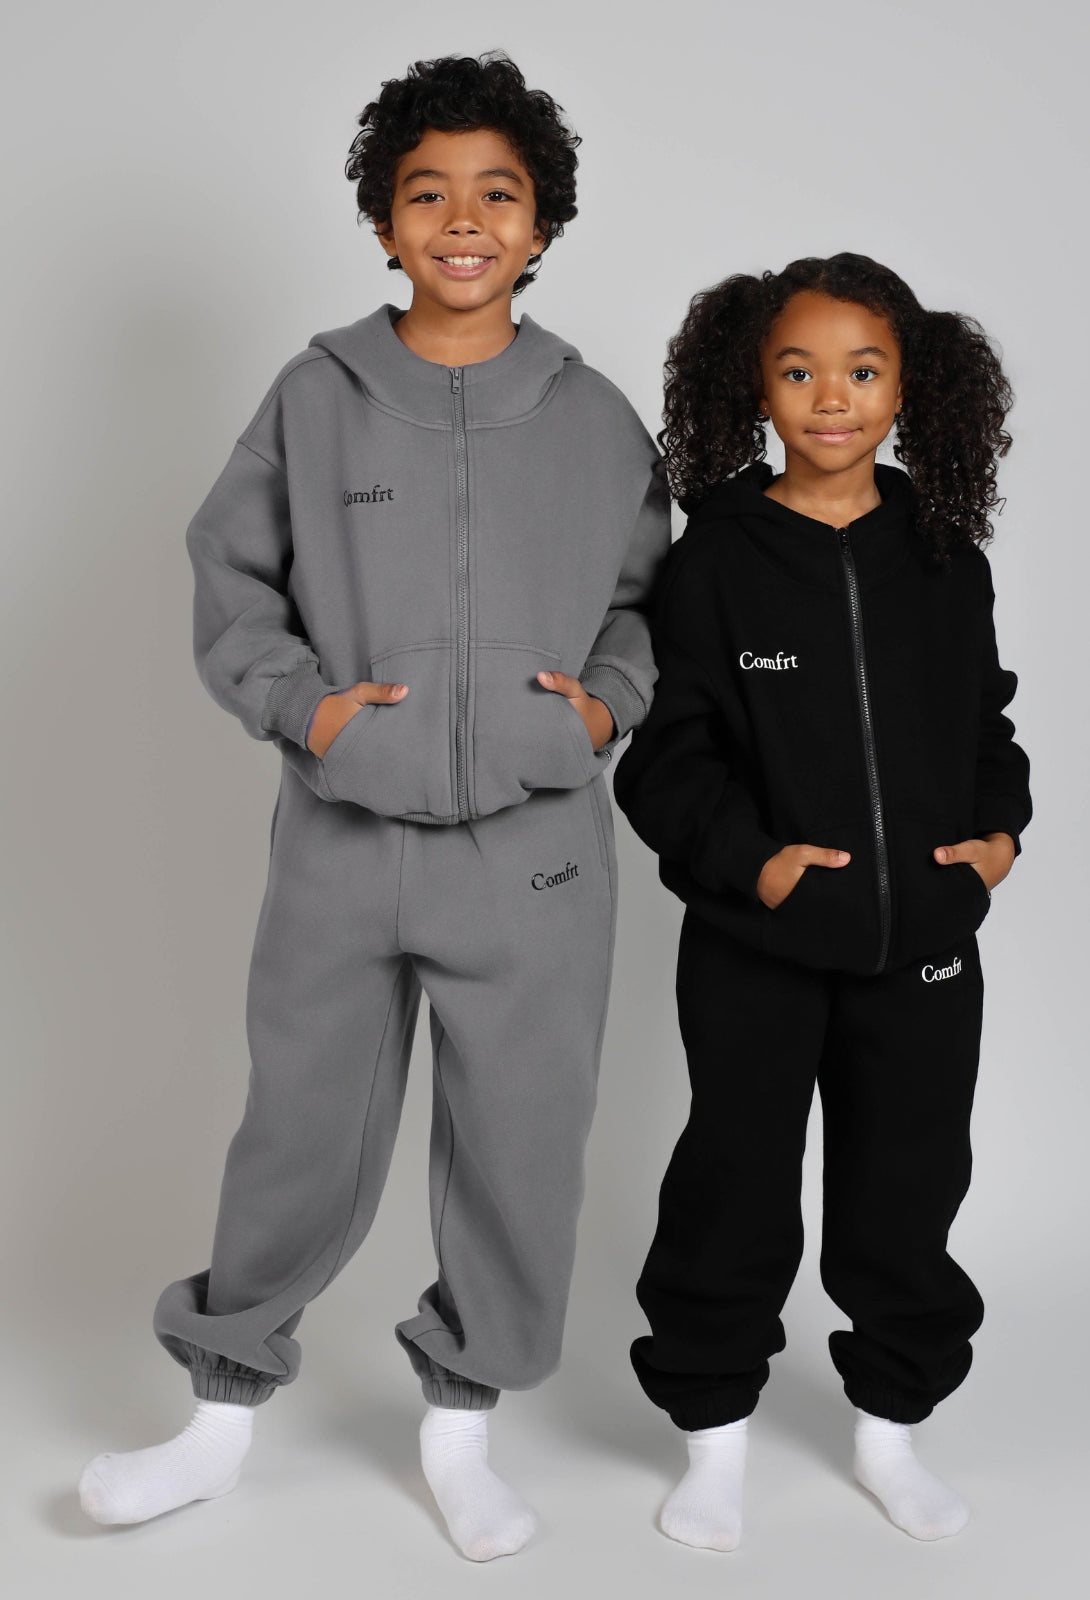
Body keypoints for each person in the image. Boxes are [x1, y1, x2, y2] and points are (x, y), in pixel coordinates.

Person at [78, 53, 669, 1561]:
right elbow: (232, 575)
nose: (463, 220)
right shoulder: (318, 395)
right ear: (385, 219)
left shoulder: (595, 416)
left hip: (534, 859)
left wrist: (600, 707)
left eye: (498, 193)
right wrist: (310, 710)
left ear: (542, 223)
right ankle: (218, 1419)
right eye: (428, 192)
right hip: (344, 844)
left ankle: (463, 1430)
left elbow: (649, 602)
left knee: (522, 1142)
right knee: (299, 1128)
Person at [613, 253, 1031, 1550]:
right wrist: (757, 863)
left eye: (862, 370)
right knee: (734, 1183)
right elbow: (666, 758)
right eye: (798, 371)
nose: (831, 397)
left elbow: (985, 720)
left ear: (909, 387)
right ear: (755, 386)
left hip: (925, 946)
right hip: (757, 948)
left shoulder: (944, 559)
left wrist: (998, 834)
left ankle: (891, 1430)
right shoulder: (712, 565)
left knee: (909, 1187)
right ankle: (713, 1439)